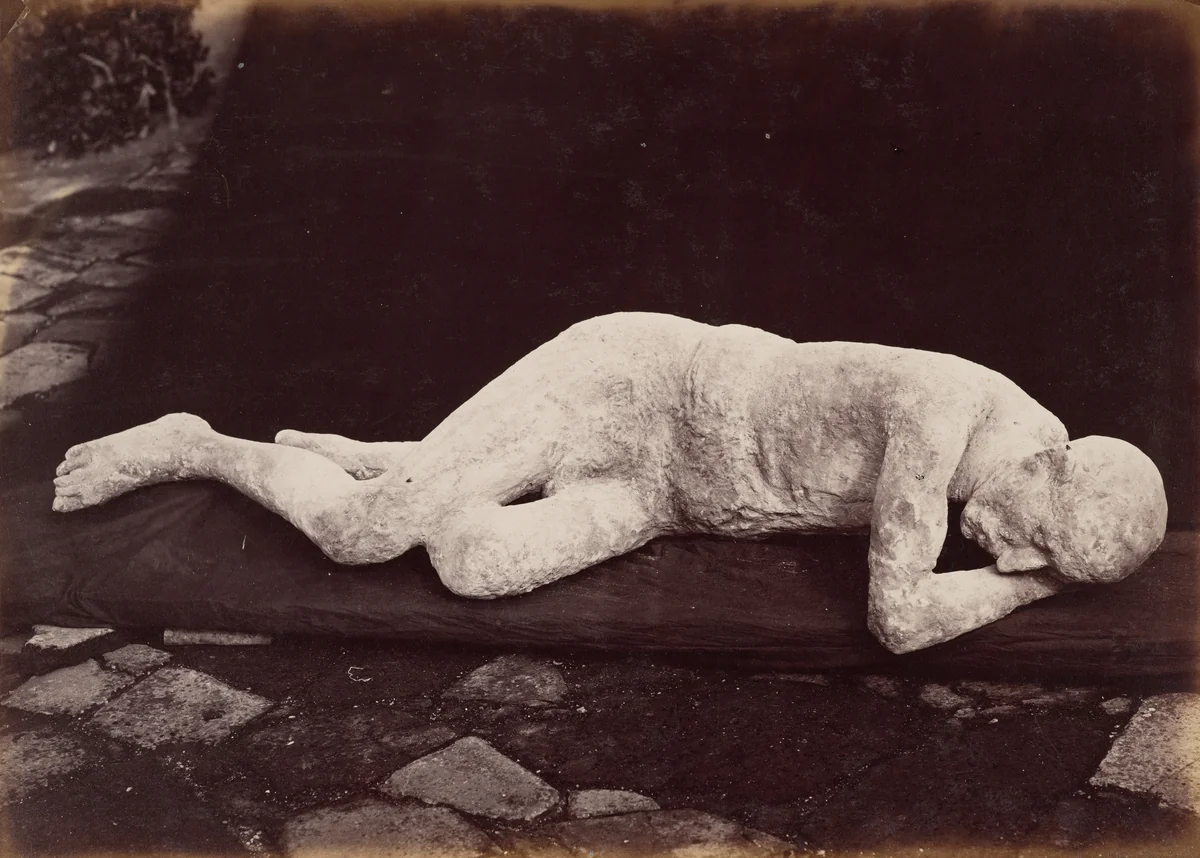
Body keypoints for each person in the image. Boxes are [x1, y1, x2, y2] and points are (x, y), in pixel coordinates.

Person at [52, 312, 1168, 653]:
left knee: (474, 560)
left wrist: (1051, 558)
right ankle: (199, 442)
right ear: (1048, 466)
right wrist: (1036, 587)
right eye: (1036, 538)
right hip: (633, 389)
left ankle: (392, 455)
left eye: (1043, 564)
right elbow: (902, 618)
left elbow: (1013, 546)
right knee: (364, 537)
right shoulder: (945, 409)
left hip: (666, 499)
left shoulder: (1039, 451)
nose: (1014, 557)